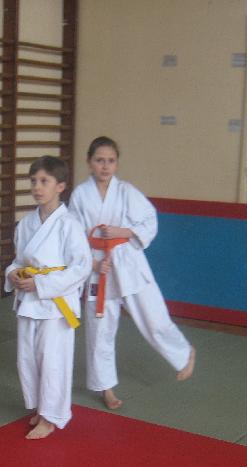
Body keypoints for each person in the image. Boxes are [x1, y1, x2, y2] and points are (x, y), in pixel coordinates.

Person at [69, 136, 195, 410]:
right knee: (99, 331)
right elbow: (74, 236)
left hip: (128, 261)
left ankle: (184, 352)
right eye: (99, 160)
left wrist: (123, 231)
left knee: (153, 316)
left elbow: (149, 220)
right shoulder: (80, 195)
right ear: (89, 162)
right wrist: (92, 265)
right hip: (98, 267)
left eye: (111, 161)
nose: (105, 166)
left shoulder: (126, 191)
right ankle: (106, 388)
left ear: (117, 164)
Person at [5, 156, 91, 440]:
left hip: (55, 303)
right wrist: (13, 273)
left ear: (60, 186)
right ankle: (41, 408)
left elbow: (81, 268)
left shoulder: (69, 224)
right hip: (29, 300)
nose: (37, 187)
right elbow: (19, 260)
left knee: (53, 360)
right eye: (33, 181)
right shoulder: (26, 224)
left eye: (44, 181)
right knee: (27, 358)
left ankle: (52, 417)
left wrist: (41, 284)